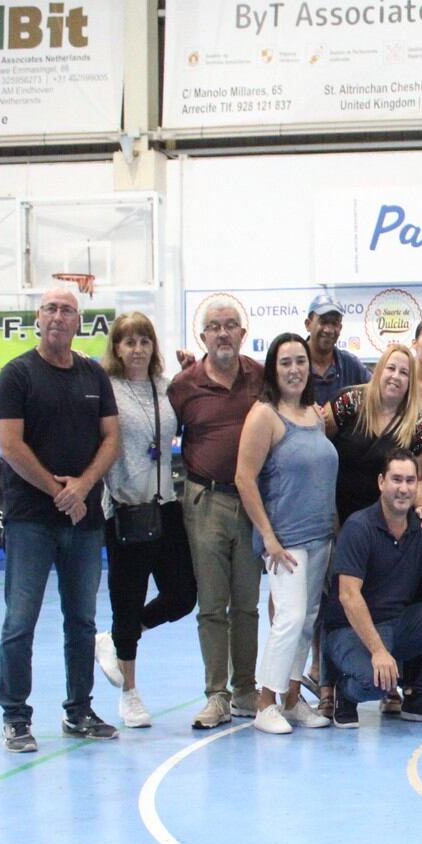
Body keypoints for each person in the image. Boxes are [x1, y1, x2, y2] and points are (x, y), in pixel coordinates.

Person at [0, 286, 121, 752]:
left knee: (82, 621)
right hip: (30, 520)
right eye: (50, 308)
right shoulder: (17, 375)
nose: (58, 316)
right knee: (20, 620)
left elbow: (111, 438)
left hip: (84, 522)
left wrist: (83, 487)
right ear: (38, 318)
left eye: (68, 310)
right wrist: (58, 490)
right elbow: (11, 446)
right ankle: (15, 716)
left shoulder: (93, 375)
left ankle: (79, 710)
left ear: (78, 322)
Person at [93, 312, 196, 729]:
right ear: (117, 348)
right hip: (125, 507)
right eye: (129, 341)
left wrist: (192, 371)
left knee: (182, 595)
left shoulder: (165, 388)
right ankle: (130, 693)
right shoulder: (106, 390)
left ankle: (114, 638)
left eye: (144, 341)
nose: (137, 349)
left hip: (165, 503)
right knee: (127, 595)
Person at [235, 333, 337, 735]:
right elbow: (245, 479)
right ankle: (266, 702)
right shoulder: (264, 416)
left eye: (300, 362)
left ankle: (293, 699)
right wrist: (269, 538)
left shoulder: (315, 414)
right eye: (285, 363)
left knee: (307, 619)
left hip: (320, 537)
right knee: (290, 617)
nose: (294, 370)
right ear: (273, 370)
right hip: (285, 541)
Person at [170, 299, 265, 729]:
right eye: (214, 326)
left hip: (251, 504)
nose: (223, 333)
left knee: (246, 604)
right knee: (212, 605)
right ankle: (216, 695)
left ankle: (245, 688)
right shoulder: (184, 384)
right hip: (204, 502)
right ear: (202, 336)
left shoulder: (261, 378)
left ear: (243, 334)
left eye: (231, 326)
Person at [323, 451, 422, 728]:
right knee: (377, 683)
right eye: (396, 480)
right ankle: (345, 691)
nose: (403, 488)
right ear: (381, 482)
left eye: (410, 481)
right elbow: (348, 596)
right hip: (350, 631)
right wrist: (378, 651)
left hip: (397, 626)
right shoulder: (359, 527)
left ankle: (420, 697)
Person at [325, 343, 422, 523]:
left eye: (404, 372)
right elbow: (319, 445)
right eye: (390, 368)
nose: (395, 376)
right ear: (379, 371)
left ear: (410, 382)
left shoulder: (417, 426)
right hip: (336, 511)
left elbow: (419, 479)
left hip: (384, 520)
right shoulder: (347, 402)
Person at [304, 292, 370, 406]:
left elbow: (377, 392)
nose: (329, 330)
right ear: (308, 324)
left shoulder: (351, 364)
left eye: (334, 323)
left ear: (340, 328)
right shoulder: (293, 363)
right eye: (323, 322)